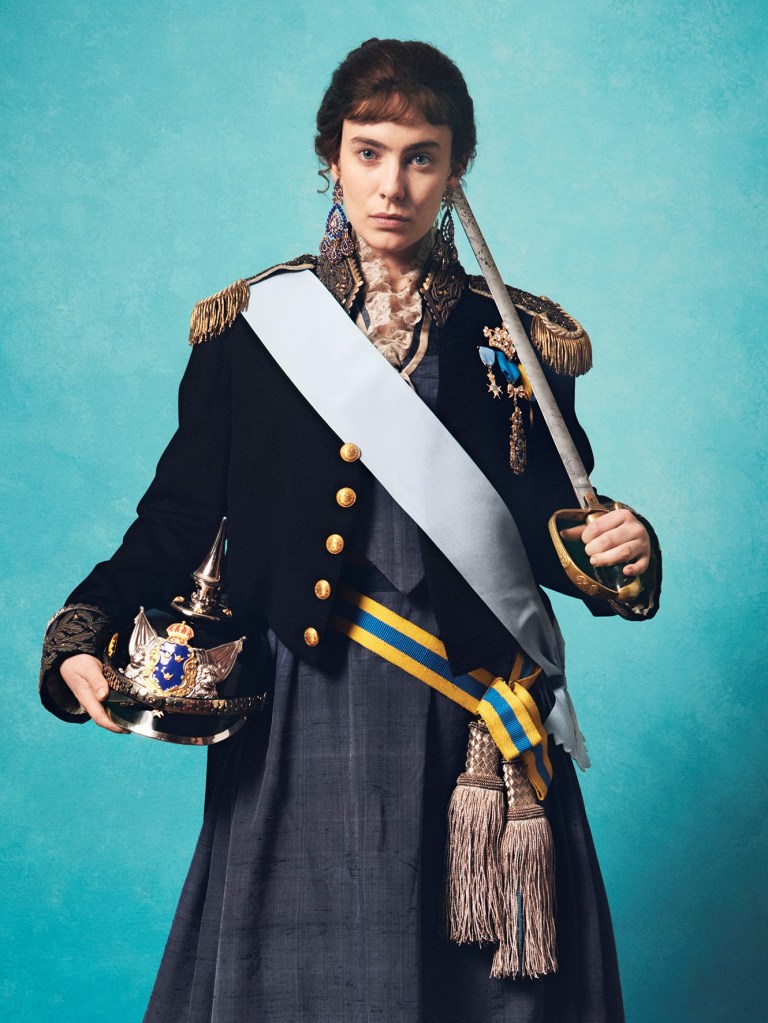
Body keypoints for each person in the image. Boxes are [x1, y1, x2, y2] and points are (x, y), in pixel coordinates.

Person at [39, 38, 661, 1023]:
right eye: (369, 153)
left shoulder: (513, 336)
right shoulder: (253, 329)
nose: (392, 185)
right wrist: (85, 627)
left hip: (470, 709)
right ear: (331, 156)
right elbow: (178, 519)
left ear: (456, 169)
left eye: (421, 157)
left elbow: (555, 524)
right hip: (303, 703)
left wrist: (621, 553)